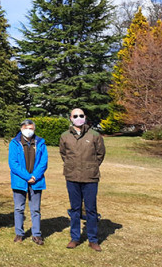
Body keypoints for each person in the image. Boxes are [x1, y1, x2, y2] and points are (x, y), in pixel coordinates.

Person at [59, 108, 106, 252]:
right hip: (72, 177)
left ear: (85, 117)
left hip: (90, 177)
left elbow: (100, 154)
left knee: (91, 209)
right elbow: (63, 154)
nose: (78, 118)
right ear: (70, 118)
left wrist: (90, 166)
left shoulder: (94, 135)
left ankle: (93, 239)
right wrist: (72, 166)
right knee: (75, 208)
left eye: (81, 115)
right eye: (75, 116)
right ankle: (75, 238)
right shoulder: (65, 136)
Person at [8, 119, 48, 245]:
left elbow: (43, 162)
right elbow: (13, 163)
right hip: (20, 181)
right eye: (26, 128)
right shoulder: (14, 143)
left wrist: (35, 176)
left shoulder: (41, 143)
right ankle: (19, 233)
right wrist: (27, 176)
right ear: (21, 129)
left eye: (31, 128)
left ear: (34, 129)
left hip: (36, 181)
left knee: (35, 209)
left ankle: (36, 234)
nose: (28, 130)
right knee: (19, 208)